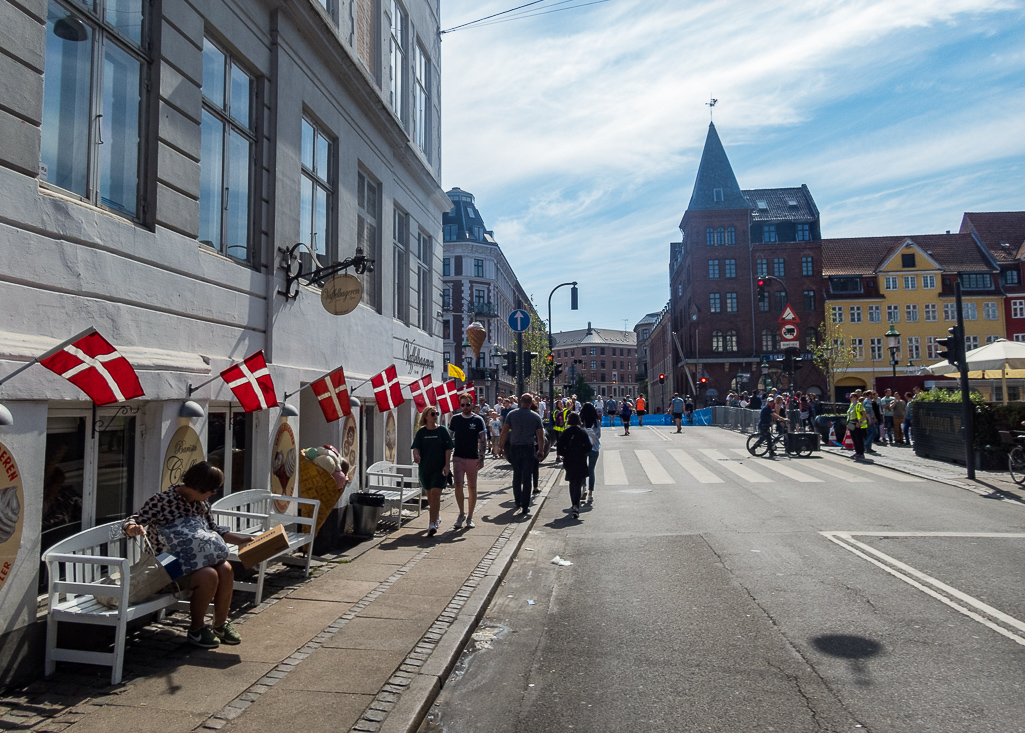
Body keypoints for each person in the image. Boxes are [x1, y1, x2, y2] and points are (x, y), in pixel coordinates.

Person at [123, 462, 254, 648]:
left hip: (197, 560)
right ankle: (196, 629)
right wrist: (132, 528)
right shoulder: (161, 502)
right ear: (199, 486)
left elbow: (214, 530)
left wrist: (240, 541)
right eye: (212, 489)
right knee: (208, 575)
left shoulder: (201, 503)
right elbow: (132, 520)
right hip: (167, 566)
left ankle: (220, 624)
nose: (214, 493)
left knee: (225, 568)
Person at [497, 394, 546, 516]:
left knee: (517, 475)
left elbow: (504, 431)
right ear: (531, 403)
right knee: (527, 477)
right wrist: (541, 450)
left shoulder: (512, 414)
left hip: (515, 448)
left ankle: (517, 501)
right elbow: (541, 436)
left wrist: (500, 447)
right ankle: (525, 505)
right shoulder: (535, 416)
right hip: (529, 448)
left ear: (520, 401)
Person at [412, 406, 453, 537]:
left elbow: (448, 449)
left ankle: (432, 523)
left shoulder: (442, 430)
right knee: (429, 494)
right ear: (426, 417)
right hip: (425, 468)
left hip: (439, 468)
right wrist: (416, 455)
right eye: (433, 414)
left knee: (435, 493)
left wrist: (447, 465)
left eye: (437, 413)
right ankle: (437, 516)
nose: (435, 416)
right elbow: (416, 447)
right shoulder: (421, 432)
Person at [449, 394, 487, 530]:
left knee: (472, 487)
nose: (465, 407)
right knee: (458, 485)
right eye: (462, 405)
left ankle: (470, 516)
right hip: (458, 457)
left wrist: (482, 457)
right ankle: (461, 513)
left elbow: (483, 439)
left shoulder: (478, 420)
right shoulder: (455, 419)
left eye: (467, 404)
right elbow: (449, 437)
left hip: (472, 457)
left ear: (472, 404)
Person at [556, 412, 593, 519]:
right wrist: (582, 451)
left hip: (569, 459)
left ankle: (574, 504)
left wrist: (563, 454)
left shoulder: (566, 432)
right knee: (577, 481)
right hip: (580, 459)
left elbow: (560, 446)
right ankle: (576, 506)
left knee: (572, 482)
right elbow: (588, 447)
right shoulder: (582, 432)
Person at [580, 402, 601, 504]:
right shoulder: (596, 422)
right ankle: (590, 494)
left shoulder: (581, 421)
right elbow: (599, 435)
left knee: (583, 469)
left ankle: (583, 487)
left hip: (583, 448)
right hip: (594, 447)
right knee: (591, 470)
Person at [846, 390, 868, 461]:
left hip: (857, 424)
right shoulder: (851, 405)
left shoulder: (858, 404)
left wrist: (860, 422)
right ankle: (857, 451)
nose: (850, 398)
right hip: (851, 423)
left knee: (859, 438)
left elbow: (864, 414)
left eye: (851, 397)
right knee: (854, 439)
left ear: (855, 397)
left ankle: (861, 453)